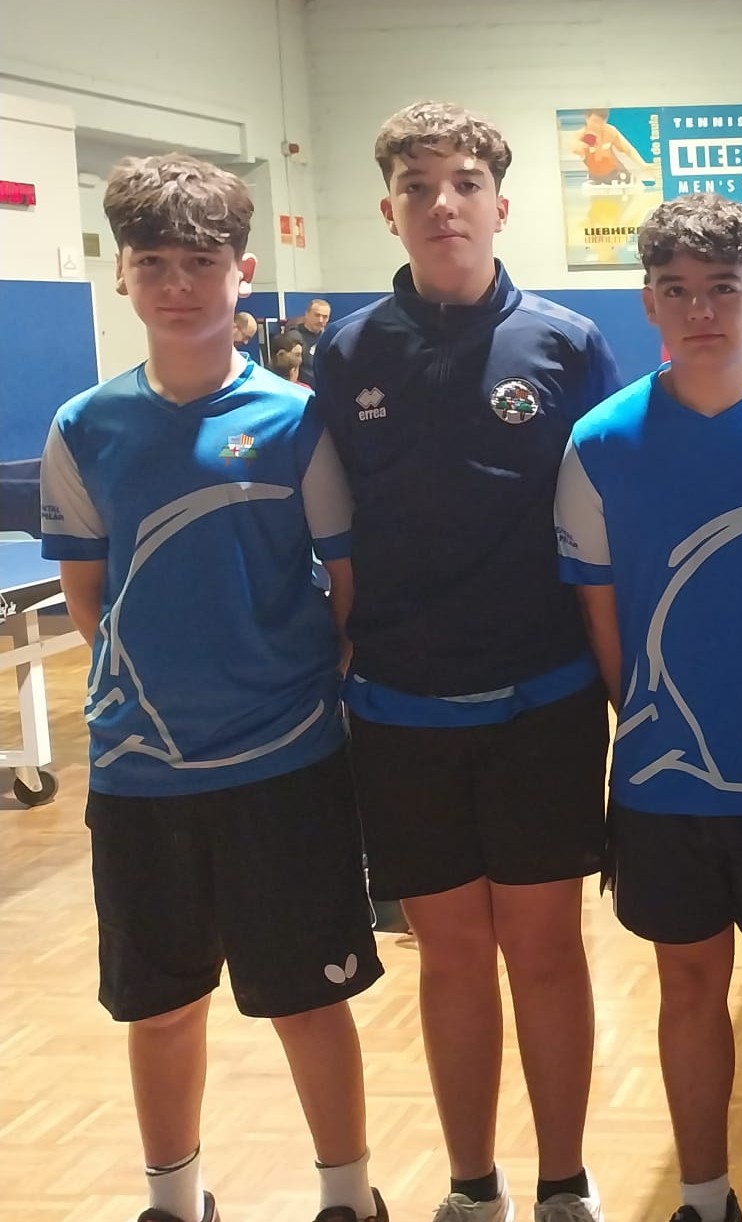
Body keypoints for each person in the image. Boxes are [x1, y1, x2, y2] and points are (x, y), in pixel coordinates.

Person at [39, 153, 385, 1222]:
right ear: (121, 276)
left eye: (200, 262)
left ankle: (346, 1196)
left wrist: (277, 688)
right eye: (153, 263)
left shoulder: (297, 420)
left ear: (243, 272)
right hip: (141, 776)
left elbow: (346, 586)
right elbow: (89, 598)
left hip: (284, 767)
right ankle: (175, 1200)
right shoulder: (84, 427)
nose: (177, 285)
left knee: (308, 1000)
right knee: (160, 1006)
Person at [312, 101, 620, 1222]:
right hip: (402, 710)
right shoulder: (346, 354)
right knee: (450, 959)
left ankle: (563, 1183)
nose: (442, 203)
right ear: (388, 209)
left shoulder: (567, 344)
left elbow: (606, 527)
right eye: (418, 186)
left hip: (544, 702)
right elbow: (335, 534)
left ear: (501, 203)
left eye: (464, 184)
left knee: (544, 950)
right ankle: (471, 1184)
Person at [555, 193, 742, 1222]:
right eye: (675, 290)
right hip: (665, 783)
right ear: (647, 304)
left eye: (722, 288)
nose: (700, 309)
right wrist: (661, 727)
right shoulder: (599, 441)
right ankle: (703, 1196)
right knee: (687, 986)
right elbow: (605, 628)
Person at [283, 297, 331, 384]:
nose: (320, 320)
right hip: (302, 386)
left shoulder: (330, 336)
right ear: (307, 314)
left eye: (325, 317)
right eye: (317, 315)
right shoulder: (293, 337)